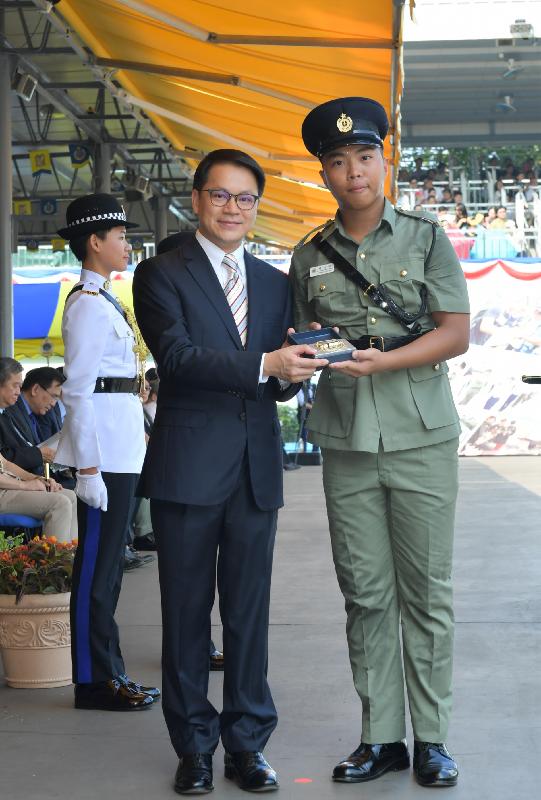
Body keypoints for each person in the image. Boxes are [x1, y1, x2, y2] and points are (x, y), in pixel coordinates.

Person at [133, 148, 327, 795]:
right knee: (185, 616)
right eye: (220, 195)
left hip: (254, 472)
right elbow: (179, 359)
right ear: (196, 199)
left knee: (248, 615)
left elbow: (272, 381)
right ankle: (193, 747)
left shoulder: (274, 283)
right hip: (187, 469)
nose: (232, 208)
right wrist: (266, 365)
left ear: (255, 206)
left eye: (245, 198)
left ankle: (247, 743)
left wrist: (298, 363)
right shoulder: (160, 273)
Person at [289, 97, 470, 788]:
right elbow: (306, 339)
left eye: (363, 157)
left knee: (426, 593)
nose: (352, 171)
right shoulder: (308, 254)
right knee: (365, 593)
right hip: (346, 441)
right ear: (323, 173)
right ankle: (380, 737)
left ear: (382, 159)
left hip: (420, 435)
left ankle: (432, 740)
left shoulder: (424, 237)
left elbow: (453, 332)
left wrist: (383, 361)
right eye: (336, 162)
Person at [54, 193, 159, 712]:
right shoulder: (87, 306)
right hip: (104, 458)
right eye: (118, 235)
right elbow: (76, 390)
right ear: (94, 242)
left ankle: (111, 671)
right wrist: (88, 466)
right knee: (96, 572)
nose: (126, 243)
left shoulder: (106, 300)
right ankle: (93, 681)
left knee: (110, 572)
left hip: (121, 449)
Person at [0, 451, 77, 541]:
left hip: (9, 482)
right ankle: (56, 554)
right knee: (59, 503)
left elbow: (5, 464)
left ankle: (71, 552)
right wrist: (26, 485)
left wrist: (36, 478)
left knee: (71, 496)